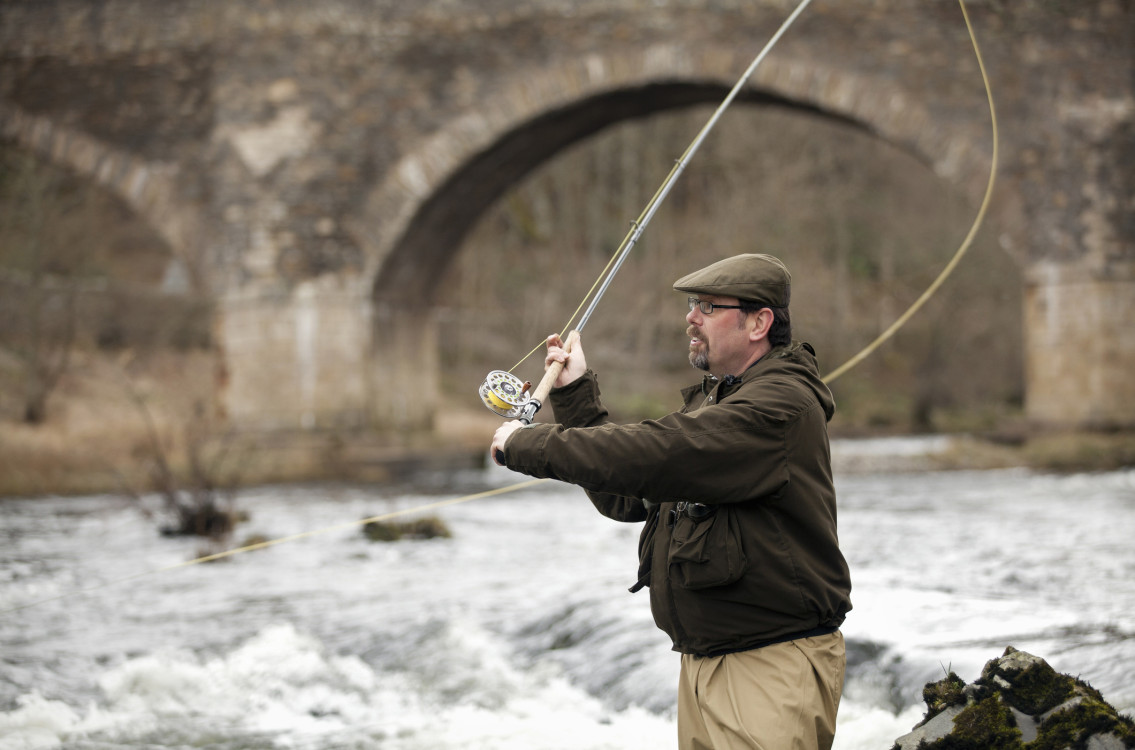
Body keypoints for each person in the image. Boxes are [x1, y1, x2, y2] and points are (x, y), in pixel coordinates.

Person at [490, 253, 852, 750]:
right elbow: (629, 493)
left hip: (771, 667)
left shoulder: (778, 406)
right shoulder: (718, 399)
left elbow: (661, 452)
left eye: (707, 306)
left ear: (759, 322)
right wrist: (574, 394)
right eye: (690, 304)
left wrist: (529, 443)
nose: (691, 317)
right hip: (704, 667)